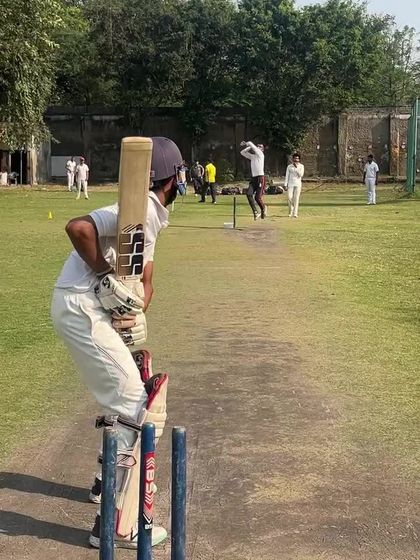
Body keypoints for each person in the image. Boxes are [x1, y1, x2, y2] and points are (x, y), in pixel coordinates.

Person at [50, 137, 184, 549]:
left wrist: (134, 310)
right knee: (136, 405)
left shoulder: (152, 214)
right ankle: (116, 524)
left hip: (88, 308)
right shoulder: (140, 208)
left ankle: (103, 483)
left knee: (127, 396)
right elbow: (78, 228)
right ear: (174, 179)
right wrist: (106, 276)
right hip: (81, 307)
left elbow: (145, 280)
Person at [240, 141, 267, 220]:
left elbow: (252, 145)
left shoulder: (261, 155)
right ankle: (255, 212)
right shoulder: (252, 157)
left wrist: (248, 144)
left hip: (260, 178)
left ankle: (263, 208)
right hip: (253, 179)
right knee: (249, 194)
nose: (258, 147)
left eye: (260, 147)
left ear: (262, 149)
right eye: (258, 146)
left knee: (257, 198)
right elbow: (242, 152)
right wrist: (249, 147)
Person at [285, 152, 304, 218]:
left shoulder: (301, 166)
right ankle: (290, 211)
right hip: (290, 184)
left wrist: (296, 168)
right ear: (293, 159)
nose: (296, 160)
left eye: (297, 158)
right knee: (289, 198)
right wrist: (285, 184)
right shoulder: (289, 166)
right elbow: (287, 176)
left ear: (299, 159)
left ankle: (295, 213)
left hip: (298, 184)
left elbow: (301, 175)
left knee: (296, 199)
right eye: (295, 158)